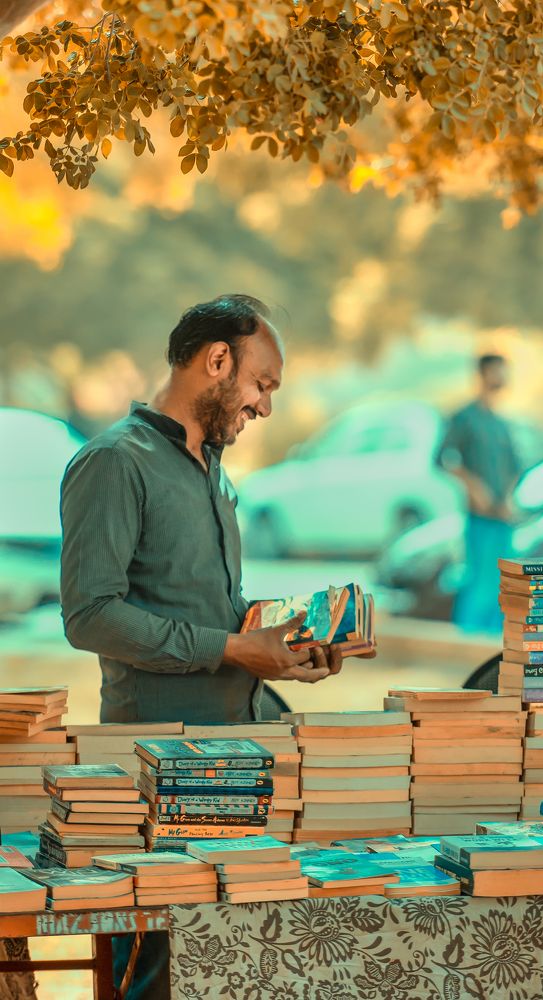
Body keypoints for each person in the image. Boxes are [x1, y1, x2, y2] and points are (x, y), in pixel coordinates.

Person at [59, 294, 343, 999]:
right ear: (217, 361)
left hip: (237, 757)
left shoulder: (212, 467)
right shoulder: (114, 463)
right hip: (157, 766)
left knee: (230, 970)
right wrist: (232, 649)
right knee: (156, 977)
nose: (265, 406)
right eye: (262, 383)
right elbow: (90, 615)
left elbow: (208, 608)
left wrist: (285, 640)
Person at [439, 353, 522, 633]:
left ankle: (494, 645)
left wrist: (508, 498)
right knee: (477, 580)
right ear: (483, 374)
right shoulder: (464, 418)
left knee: (505, 583)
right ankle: (466, 640)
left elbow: (515, 468)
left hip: (503, 518)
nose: (501, 378)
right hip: (479, 517)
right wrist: (473, 486)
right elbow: (441, 458)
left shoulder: (502, 424)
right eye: (496, 371)